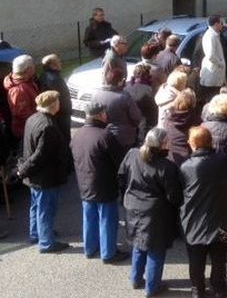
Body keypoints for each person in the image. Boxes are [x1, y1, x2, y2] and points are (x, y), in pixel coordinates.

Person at [118, 128, 183, 297]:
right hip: (155, 213)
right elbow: (173, 196)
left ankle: (135, 278)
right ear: (162, 145)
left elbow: (121, 175)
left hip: (132, 207)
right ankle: (152, 287)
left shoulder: (132, 154)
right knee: (156, 249)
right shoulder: (167, 167)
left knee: (139, 244)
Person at [179, 126, 227, 298]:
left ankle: (198, 289)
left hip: (194, 220)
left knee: (196, 259)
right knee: (219, 256)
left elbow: (180, 191)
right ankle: (219, 286)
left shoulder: (187, 167)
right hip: (220, 217)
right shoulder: (224, 160)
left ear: (194, 144)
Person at [71, 102, 128, 263]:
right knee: (107, 220)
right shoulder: (105, 135)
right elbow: (120, 160)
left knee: (89, 217)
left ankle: (90, 248)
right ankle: (108, 253)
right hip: (104, 185)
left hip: (84, 184)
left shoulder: (78, 134)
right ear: (100, 115)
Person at [17, 91, 71, 253]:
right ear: (54, 105)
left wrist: (23, 167)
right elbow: (40, 156)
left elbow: (26, 147)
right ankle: (46, 242)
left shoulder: (32, 118)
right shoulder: (48, 126)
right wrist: (23, 170)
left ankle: (36, 233)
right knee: (45, 210)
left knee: (36, 207)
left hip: (35, 177)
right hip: (45, 178)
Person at [92, 67, 142, 149]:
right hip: (123, 138)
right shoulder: (124, 97)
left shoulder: (95, 95)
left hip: (102, 136)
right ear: (119, 81)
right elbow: (137, 117)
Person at [3, 54, 39, 143]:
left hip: (32, 127)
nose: (35, 67)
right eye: (33, 65)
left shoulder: (27, 80)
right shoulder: (18, 90)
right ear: (28, 69)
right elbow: (22, 114)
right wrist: (40, 120)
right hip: (26, 131)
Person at [39, 54, 72, 143]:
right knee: (64, 138)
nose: (61, 64)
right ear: (53, 65)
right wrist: (68, 111)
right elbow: (62, 97)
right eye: (58, 62)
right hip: (61, 114)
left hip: (54, 112)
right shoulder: (54, 79)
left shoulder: (43, 75)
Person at [164, 88, 199, 166]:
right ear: (193, 103)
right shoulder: (195, 119)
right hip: (188, 158)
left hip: (171, 156)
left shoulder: (168, 117)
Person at [125, 64, 158, 143]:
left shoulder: (126, 87)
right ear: (146, 76)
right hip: (142, 128)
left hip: (127, 127)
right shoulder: (149, 90)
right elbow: (153, 112)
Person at [199, 15, 227, 107]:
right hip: (213, 72)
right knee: (212, 98)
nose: (222, 25)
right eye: (221, 23)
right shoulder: (210, 36)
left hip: (215, 72)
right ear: (216, 24)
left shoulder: (215, 35)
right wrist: (221, 63)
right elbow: (211, 55)